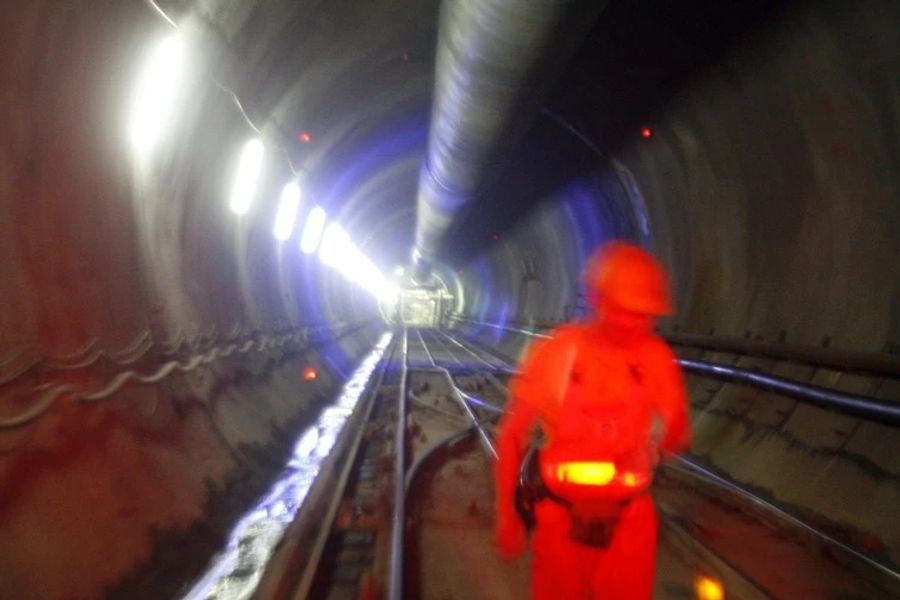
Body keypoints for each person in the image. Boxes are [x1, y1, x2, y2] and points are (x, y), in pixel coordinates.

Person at [494, 241, 691, 600]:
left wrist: (654, 450)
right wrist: (508, 515)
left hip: (629, 527)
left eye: (645, 315)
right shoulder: (556, 353)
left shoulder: (656, 358)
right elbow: (512, 435)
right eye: (624, 311)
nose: (635, 324)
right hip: (559, 522)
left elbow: (677, 431)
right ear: (597, 300)